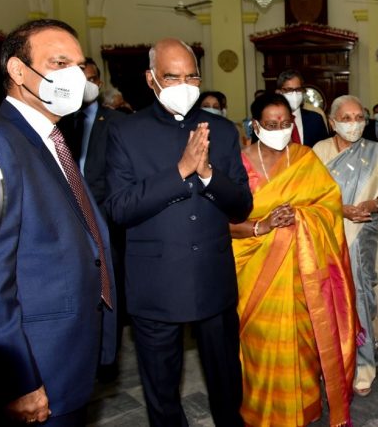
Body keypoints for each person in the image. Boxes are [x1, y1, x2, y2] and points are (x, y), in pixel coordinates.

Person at [105, 38, 252, 427]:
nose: (184, 84)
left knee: (226, 382)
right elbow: (118, 208)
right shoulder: (126, 132)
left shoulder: (220, 131)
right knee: (162, 389)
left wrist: (208, 175)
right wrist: (180, 170)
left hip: (213, 277)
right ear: (151, 79)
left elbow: (241, 205)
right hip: (156, 283)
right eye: (172, 77)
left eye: (192, 76)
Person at [0, 18, 117, 426]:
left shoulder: (51, 136)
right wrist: (16, 380)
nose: (73, 75)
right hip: (35, 364)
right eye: (59, 63)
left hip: (68, 354)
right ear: (18, 71)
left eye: (79, 64)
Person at [230, 92, 358, 426]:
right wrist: (264, 225)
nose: (280, 129)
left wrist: (299, 219)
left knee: (300, 344)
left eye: (286, 123)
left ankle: (301, 409)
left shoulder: (304, 158)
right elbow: (221, 222)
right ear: (255, 125)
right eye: (271, 124)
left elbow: (329, 206)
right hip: (250, 269)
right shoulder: (237, 162)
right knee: (257, 343)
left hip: (300, 273)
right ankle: (258, 411)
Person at [313, 95, 378, 397]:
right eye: (347, 117)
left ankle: (363, 366)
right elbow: (309, 197)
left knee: (361, 296)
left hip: (362, 234)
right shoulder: (318, 152)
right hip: (327, 235)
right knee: (329, 299)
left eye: (359, 117)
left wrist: (375, 203)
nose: (354, 124)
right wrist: (341, 209)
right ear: (332, 121)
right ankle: (332, 363)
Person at [58, 57, 126, 384]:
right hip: (67, 220)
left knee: (110, 285)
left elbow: (121, 175)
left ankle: (106, 355)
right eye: (79, 77)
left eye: (92, 78)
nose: (87, 83)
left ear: (99, 82)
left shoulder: (115, 122)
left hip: (105, 215)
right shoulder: (59, 121)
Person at [275, 69, 329, 147]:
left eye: (298, 89)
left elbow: (325, 150)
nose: (294, 94)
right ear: (279, 92)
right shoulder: (269, 121)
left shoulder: (315, 119)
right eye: (289, 90)